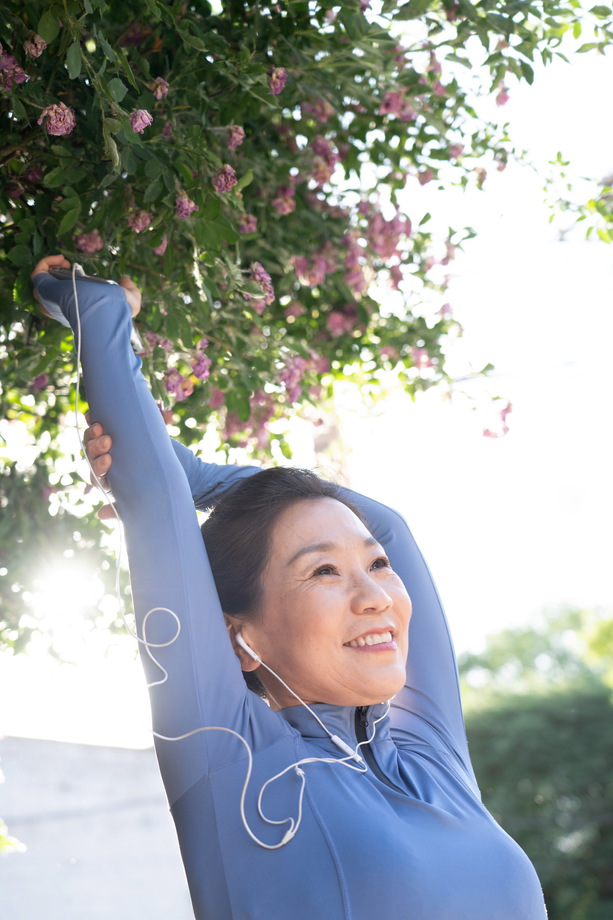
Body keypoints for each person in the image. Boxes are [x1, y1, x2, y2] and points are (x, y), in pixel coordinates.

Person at [32, 254, 548, 920]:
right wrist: (94, 315)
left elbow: (387, 525)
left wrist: (206, 477)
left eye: (375, 567)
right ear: (239, 639)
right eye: (323, 571)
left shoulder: (429, 753)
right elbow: (152, 497)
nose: (374, 596)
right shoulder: (229, 753)